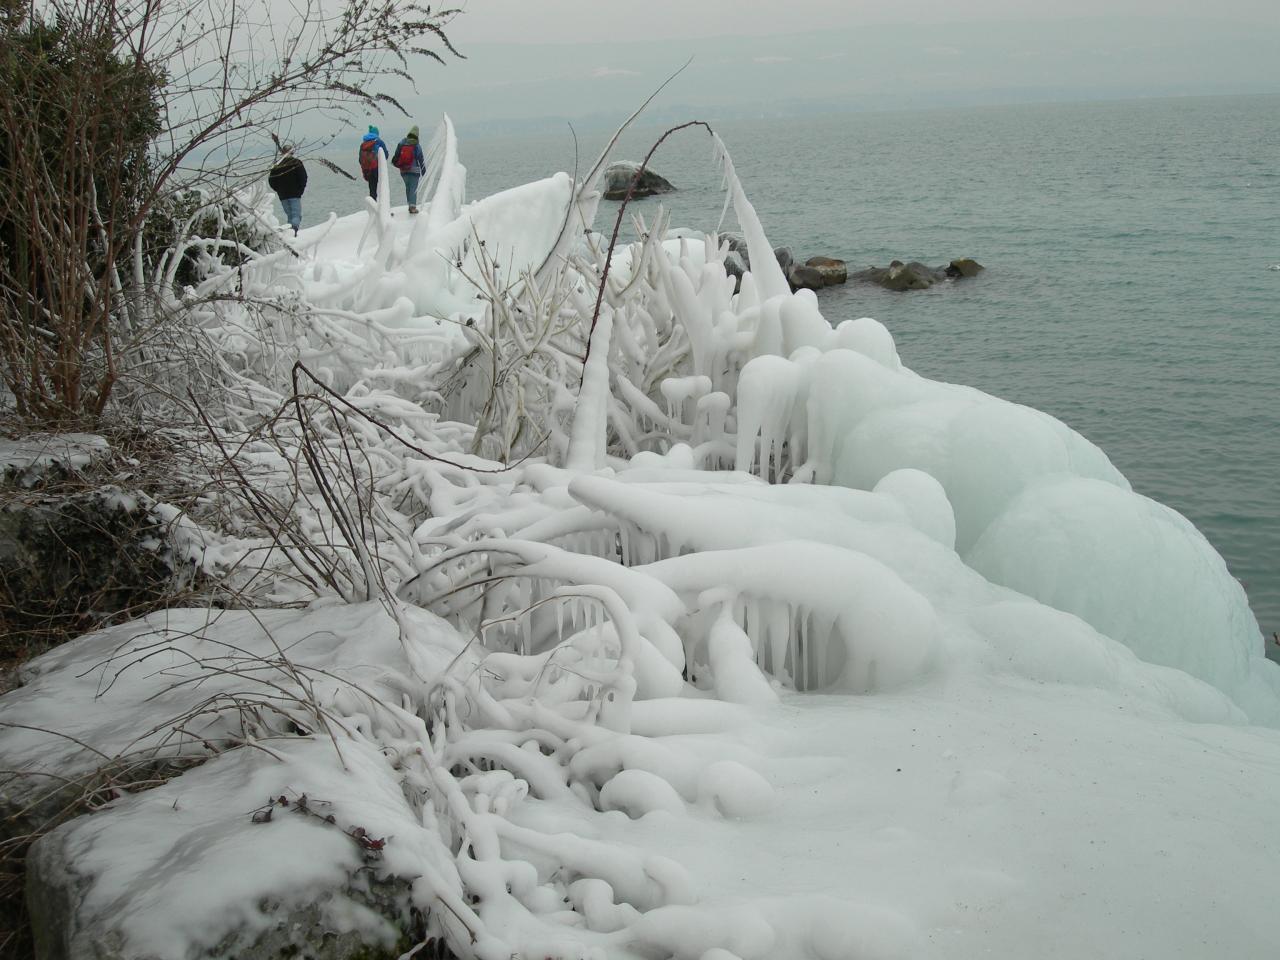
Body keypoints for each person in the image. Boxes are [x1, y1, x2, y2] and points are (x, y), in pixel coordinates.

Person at [267, 144, 307, 236]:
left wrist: (278, 190)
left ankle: (290, 233)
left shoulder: (277, 165)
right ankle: (294, 232)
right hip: (295, 194)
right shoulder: (296, 163)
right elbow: (303, 177)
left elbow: (271, 180)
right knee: (296, 215)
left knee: (290, 215)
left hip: (283, 195)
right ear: (292, 152)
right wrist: (300, 190)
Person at [391, 125, 427, 214]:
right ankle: (412, 207)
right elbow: (421, 159)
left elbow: (396, 155)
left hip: (403, 170)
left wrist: (396, 163)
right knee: (413, 188)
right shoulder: (417, 145)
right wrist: (424, 172)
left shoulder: (402, 142)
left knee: (408, 187)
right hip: (414, 170)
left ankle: (409, 204)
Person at [358, 126, 389, 201]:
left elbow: (360, 159)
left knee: (372, 189)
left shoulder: (363, 144)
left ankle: (373, 207)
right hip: (377, 168)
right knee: (382, 188)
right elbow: (386, 155)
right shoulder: (379, 141)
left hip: (367, 169)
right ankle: (382, 208)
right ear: (377, 133)